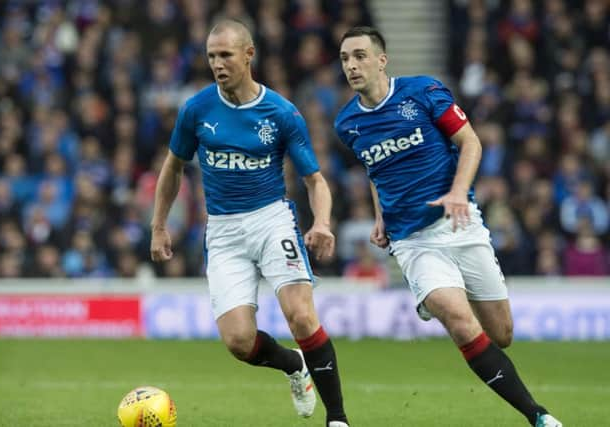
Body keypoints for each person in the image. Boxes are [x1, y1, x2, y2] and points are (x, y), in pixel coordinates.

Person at [334, 26, 562, 427]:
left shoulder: (423, 91)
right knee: (457, 318)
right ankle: (539, 416)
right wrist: (380, 214)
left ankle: (473, 324)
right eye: (345, 58)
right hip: (412, 240)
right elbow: (376, 169)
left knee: (502, 333)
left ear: (381, 60)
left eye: (359, 56)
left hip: (460, 223)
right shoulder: (347, 123)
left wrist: (459, 192)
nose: (351, 65)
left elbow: (470, 142)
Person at [150, 20, 349, 427]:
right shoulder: (196, 109)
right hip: (223, 230)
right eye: (211, 56)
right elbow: (172, 168)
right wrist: (158, 225)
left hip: (271, 220)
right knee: (239, 342)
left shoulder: (281, 113)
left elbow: (314, 180)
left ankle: (338, 419)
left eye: (225, 55)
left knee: (301, 316)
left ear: (248, 54)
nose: (217, 64)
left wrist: (323, 222)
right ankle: (294, 366)